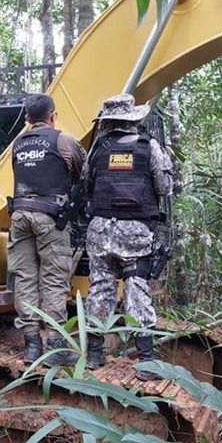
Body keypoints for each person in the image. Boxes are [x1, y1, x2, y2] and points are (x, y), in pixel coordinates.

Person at [82, 93, 174, 381]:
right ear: (133, 118)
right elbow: (165, 187)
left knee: (100, 287)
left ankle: (94, 354)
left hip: (100, 230)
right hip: (134, 232)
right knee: (136, 288)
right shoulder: (149, 146)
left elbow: (87, 183)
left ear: (108, 121)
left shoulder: (98, 148)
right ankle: (146, 361)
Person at [8, 93, 86, 366]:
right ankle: (55, 345)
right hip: (50, 216)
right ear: (53, 115)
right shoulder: (63, 140)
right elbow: (81, 174)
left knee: (25, 277)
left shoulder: (18, 144)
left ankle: (31, 346)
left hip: (19, 216)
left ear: (27, 118)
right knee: (53, 278)